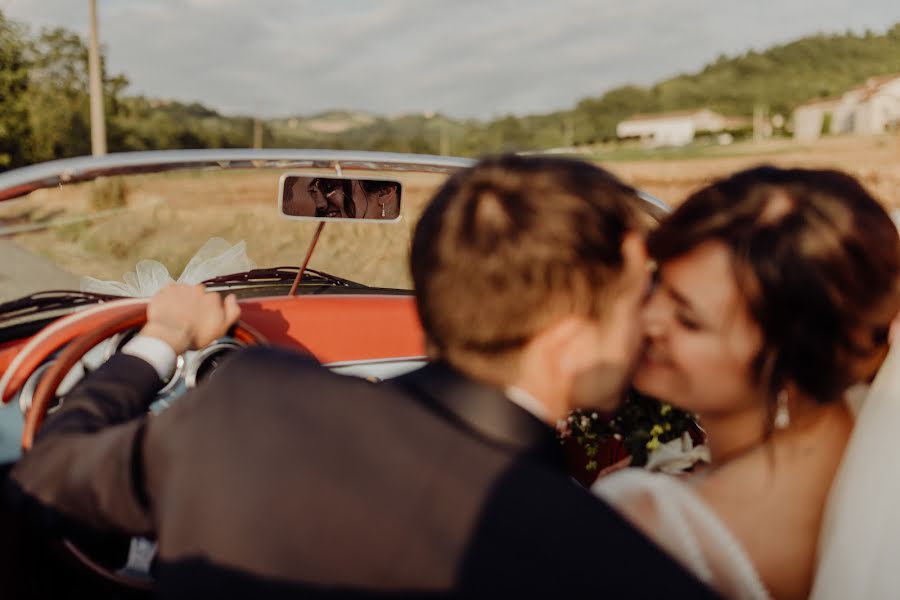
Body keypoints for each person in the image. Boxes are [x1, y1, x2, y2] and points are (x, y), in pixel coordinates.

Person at [7, 156, 717, 598]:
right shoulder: (609, 565)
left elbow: (45, 481)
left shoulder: (244, 402)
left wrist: (161, 339)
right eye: (639, 295)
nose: (652, 322)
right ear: (568, 335)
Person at [592, 166, 900, 599]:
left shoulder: (652, 523)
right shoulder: (876, 434)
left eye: (689, 320)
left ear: (791, 364)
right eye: (658, 281)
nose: (648, 318)